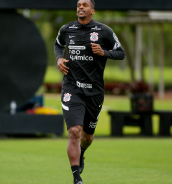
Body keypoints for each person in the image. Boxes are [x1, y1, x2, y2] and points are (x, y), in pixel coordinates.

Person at [54, 0, 125, 183]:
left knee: (87, 136)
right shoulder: (67, 29)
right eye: (78, 4)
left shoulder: (104, 31)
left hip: (94, 91)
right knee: (74, 132)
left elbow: (120, 53)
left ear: (92, 10)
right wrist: (59, 59)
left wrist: (104, 53)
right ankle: (76, 177)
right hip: (72, 88)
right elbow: (58, 44)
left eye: (84, 5)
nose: (80, 7)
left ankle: (82, 152)